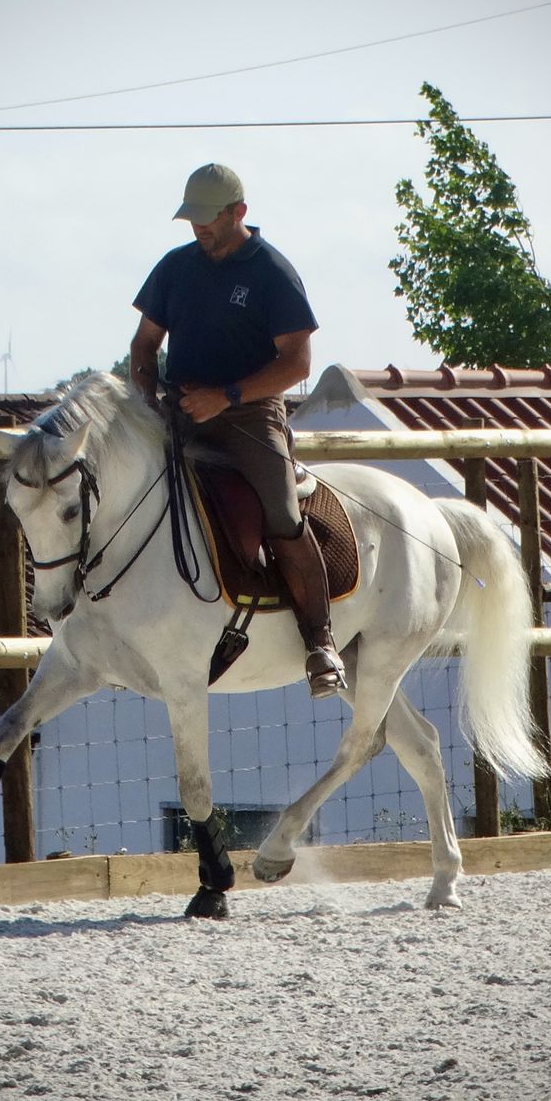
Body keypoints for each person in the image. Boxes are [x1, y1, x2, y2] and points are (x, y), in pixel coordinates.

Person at [129, 162, 346, 699]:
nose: (198, 228)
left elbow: (296, 363)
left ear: (239, 213)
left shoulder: (272, 270)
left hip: (250, 417)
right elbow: (143, 345)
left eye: (207, 219)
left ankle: (319, 641)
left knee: (283, 513)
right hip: (179, 411)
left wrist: (225, 397)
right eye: (193, 220)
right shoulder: (174, 268)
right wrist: (146, 401)